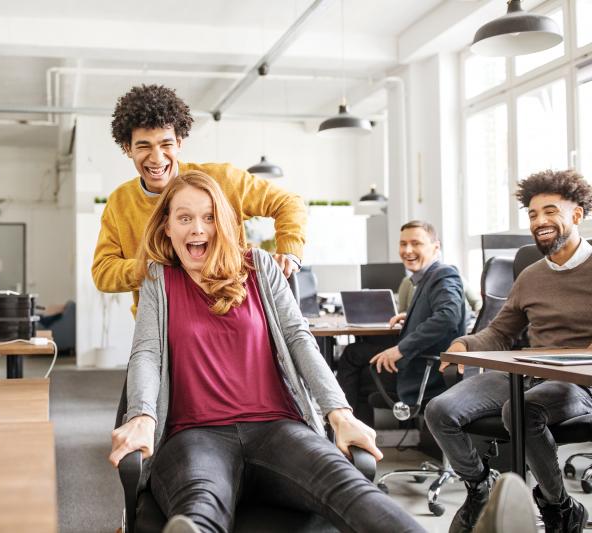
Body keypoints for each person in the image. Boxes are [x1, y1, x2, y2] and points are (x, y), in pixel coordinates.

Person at [108, 170, 425, 533]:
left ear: (224, 222)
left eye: (209, 217)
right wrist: (142, 417)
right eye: (185, 217)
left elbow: (298, 338)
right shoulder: (158, 278)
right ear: (166, 226)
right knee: (199, 507)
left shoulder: (260, 267)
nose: (198, 229)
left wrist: (340, 413)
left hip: (278, 429)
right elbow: (146, 353)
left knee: (352, 490)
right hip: (195, 433)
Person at [425, 169, 592, 533]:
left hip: (579, 383)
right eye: (533, 214)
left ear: (577, 214)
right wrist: (463, 345)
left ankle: (559, 507)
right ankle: (480, 486)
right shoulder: (530, 275)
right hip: (528, 372)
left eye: (551, 211)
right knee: (440, 411)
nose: (540, 221)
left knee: (519, 411)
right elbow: (501, 332)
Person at [92, 84, 307, 315]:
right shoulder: (120, 203)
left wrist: (290, 253)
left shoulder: (222, 180)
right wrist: (155, 267)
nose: (156, 158)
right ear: (128, 149)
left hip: (233, 314)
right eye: (144, 146)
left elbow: (288, 202)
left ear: (179, 143)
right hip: (163, 328)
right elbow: (103, 272)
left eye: (166, 144)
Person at [336, 221, 466, 424]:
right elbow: (440, 311)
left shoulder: (444, 274)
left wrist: (400, 350)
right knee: (355, 354)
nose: (408, 250)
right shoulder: (426, 277)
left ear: (436, 247)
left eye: (416, 243)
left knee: (354, 363)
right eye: (403, 244)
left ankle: (348, 433)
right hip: (420, 361)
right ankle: (350, 433)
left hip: (425, 370)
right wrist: (412, 316)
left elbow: (448, 317)